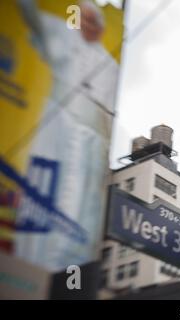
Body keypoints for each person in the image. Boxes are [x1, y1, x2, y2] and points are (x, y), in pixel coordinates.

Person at [15, 0, 120, 271]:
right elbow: (31, 16)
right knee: (43, 204)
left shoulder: (109, 65)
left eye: (95, 21)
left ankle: (66, 276)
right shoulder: (63, 34)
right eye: (85, 19)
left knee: (81, 216)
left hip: (91, 146)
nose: (90, 25)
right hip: (57, 132)